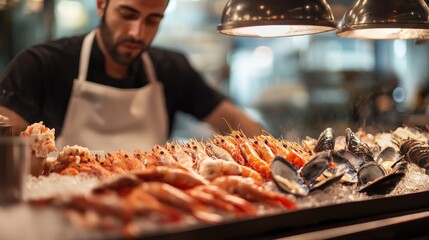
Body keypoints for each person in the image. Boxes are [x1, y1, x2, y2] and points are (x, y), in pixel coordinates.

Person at [0, 0, 262, 152]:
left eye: (152, 21)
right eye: (128, 15)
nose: (137, 33)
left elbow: (238, 123)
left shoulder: (171, 68)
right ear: (102, 5)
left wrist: (279, 160)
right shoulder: (41, 64)